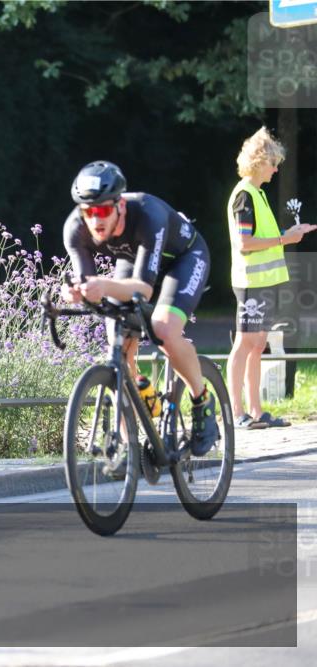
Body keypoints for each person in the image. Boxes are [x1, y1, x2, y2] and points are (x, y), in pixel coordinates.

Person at [61, 161, 218, 457]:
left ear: (120, 205)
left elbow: (143, 289)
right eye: (88, 212)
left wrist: (102, 285)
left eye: (102, 210)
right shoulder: (75, 229)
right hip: (134, 261)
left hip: (183, 260)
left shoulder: (148, 213)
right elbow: (86, 282)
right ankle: (129, 443)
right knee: (117, 345)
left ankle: (202, 400)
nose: (95, 219)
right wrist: (74, 292)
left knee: (163, 330)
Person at [226, 127, 316, 429]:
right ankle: (236, 413)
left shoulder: (257, 193)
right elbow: (245, 243)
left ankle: (256, 411)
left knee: (258, 344)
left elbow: (260, 237)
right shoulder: (244, 196)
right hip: (251, 283)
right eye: (273, 163)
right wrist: (284, 239)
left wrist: (288, 234)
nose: (276, 170)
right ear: (258, 162)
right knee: (245, 343)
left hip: (264, 283)